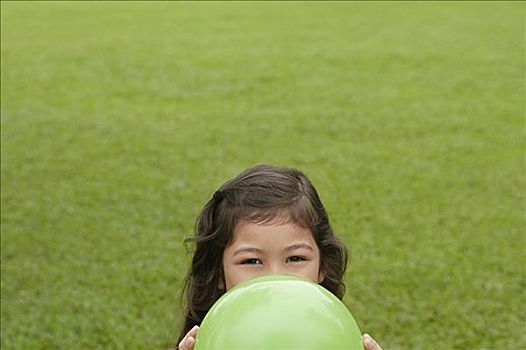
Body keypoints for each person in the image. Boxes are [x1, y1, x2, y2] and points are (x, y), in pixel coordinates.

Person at [176, 164, 383, 350]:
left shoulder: (335, 335)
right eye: (251, 261)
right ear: (219, 272)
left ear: (323, 266)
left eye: (295, 259)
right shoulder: (213, 341)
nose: (275, 278)